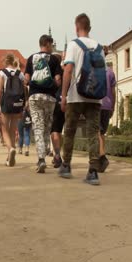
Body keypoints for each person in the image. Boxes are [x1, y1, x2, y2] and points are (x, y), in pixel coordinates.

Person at [59, 13, 106, 185]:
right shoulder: (100, 47)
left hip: (75, 96)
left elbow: (68, 70)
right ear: (90, 28)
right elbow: (103, 73)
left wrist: (63, 95)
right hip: (95, 97)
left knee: (70, 131)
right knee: (93, 133)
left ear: (76, 27)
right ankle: (93, 172)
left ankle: (66, 166)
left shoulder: (73, 45)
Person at [24, 35, 62, 173]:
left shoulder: (31, 58)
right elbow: (58, 80)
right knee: (47, 128)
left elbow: (26, 80)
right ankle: (45, 151)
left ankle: (41, 159)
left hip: (35, 97)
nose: (52, 48)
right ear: (47, 44)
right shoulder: (53, 59)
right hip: (50, 99)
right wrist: (52, 87)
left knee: (38, 128)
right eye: (51, 45)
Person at [0, 54, 27, 167]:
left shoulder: (2, 73)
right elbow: (24, 90)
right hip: (17, 103)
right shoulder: (20, 74)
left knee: (4, 129)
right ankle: (9, 158)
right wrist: (24, 105)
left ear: (5, 61)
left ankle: (11, 149)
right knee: (13, 129)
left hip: (6, 103)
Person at [97, 54, 117, 172]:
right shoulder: (110, 72)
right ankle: (100, 160)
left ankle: (102, 156)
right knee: (102, 133)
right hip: (108, 105)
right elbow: (113, 93)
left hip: (97, 104)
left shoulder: (94, 71)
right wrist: (113, 107)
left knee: (96, 132)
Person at [50, 53, 65, 168]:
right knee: (60, 130)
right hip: (65, 102)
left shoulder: (52, 72)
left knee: (54, 130)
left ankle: (57, 155)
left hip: (53, 102)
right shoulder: (67, 71)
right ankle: (60, 154)